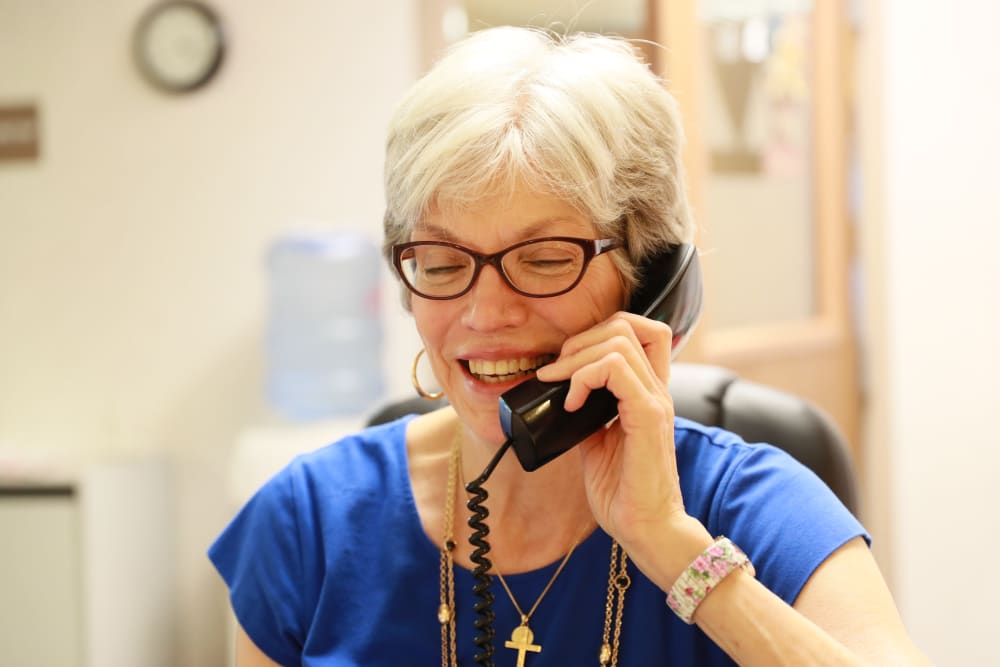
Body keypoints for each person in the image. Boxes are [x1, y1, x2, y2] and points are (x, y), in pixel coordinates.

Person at [210, 26, 931, 666]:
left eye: (545, 258)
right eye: (441, 261)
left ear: (651, 282)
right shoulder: (307, 523)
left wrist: (671, 544)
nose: (485, 312)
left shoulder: (753, 506)